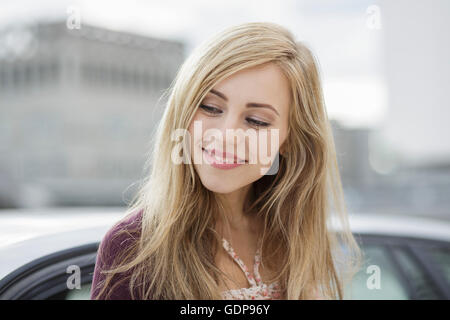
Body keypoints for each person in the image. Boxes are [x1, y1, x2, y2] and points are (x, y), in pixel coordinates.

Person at [90, 22, 362, 300]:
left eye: (256, 121)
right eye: (210, 107)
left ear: (290, 139)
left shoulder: (291, 234)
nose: (226, 136)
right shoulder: (132, 247)